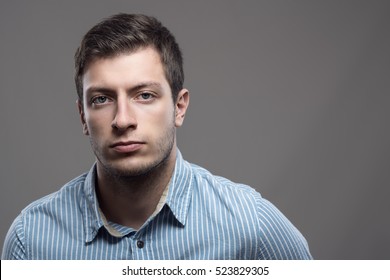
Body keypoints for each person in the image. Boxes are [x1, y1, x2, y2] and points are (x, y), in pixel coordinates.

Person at [2, 13, 312, 260]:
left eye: (145, 95)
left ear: (179, 107)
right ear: (83, 116)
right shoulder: (31, 241)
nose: (122, 120)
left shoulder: (250, 225)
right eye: (101, 99)